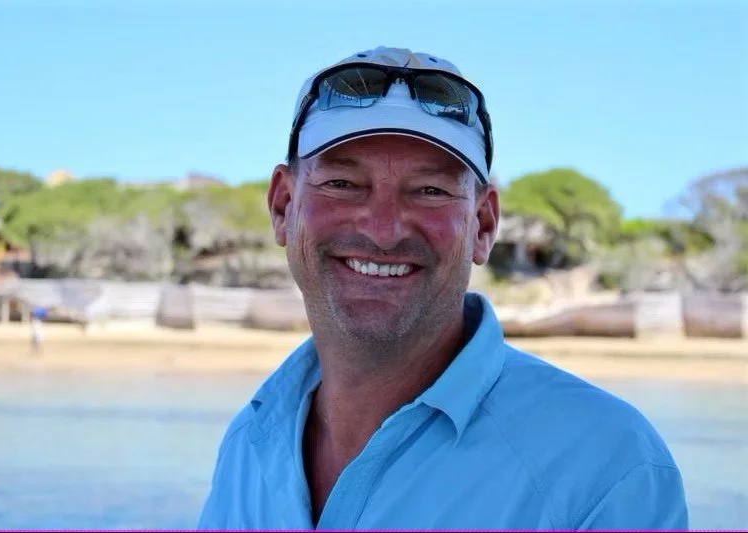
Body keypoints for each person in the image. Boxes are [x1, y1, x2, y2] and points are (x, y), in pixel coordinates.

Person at [198, 46, 688, 530]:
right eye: (343, 183)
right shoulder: (251, 438)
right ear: (284, 207)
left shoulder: (605, 464)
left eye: (430, 190)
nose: (383, 230)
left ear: (483, 224)